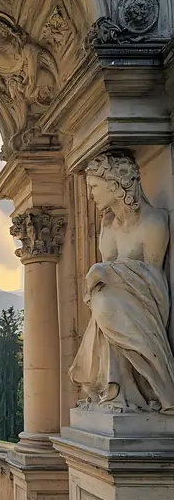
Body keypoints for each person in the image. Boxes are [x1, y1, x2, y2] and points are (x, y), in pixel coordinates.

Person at [70, 151, 174, 413]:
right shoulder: (108, 227)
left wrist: (107, 273)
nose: (91, 194)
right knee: (104, 301)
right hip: (116, 307)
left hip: (144, 307)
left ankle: (123, 391)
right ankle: (115, 390)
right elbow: (106, 275)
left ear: (115, 185)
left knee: (106, 302)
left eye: (94, 186)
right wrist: (104, 275)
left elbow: (155, 282)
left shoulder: (153, 222)